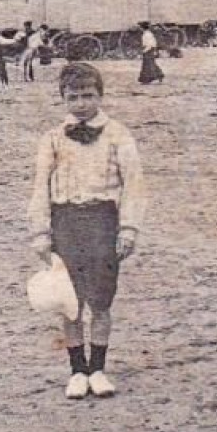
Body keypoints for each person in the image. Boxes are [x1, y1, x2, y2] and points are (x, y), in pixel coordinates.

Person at [28, 62, 146, 399]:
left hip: (103, 222)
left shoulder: (118, 135)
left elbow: (134, 185)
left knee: (101, 299)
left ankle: (98, 369)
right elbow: (40, 187)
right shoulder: (51, 139)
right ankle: (77, 370)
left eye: (88, 96)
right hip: (66, 223)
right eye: (73, 97)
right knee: (70, 302)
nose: (81, 103)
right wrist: (40, 232)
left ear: (100, 96)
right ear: (63, 98)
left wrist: (129, 229)